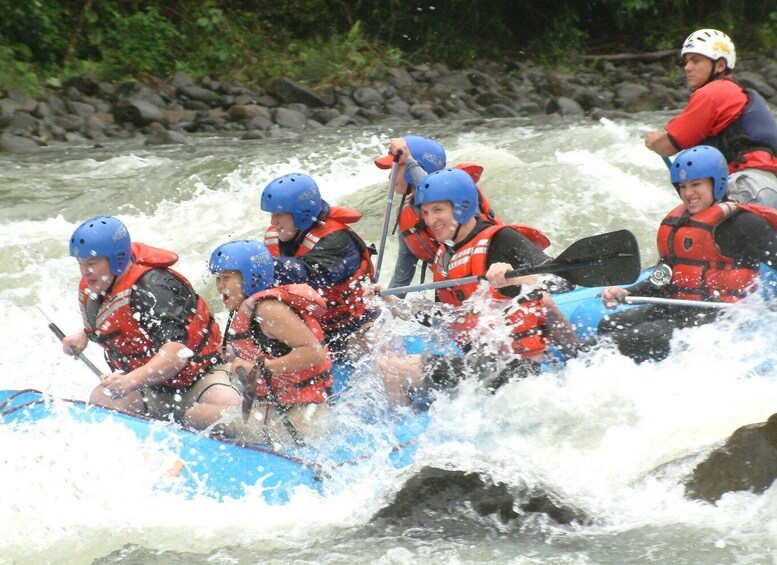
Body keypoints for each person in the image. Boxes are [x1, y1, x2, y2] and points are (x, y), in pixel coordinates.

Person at [376, 168, 580, 406]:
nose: (431, 220)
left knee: (391, 369)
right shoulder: (445, 256)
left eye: (438, 210)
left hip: (515, 368)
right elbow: (446, 316)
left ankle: (402, 432)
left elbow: (563, 280)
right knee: (389, 360)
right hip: (479, 363)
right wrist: (394, 304)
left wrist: (515, 278)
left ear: (462, 207)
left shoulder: (502, 239)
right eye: (426, 213)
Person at [598, 145, 777, 362]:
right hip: (680, 310)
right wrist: (627, 292)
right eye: (682, 186)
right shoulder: (678, 224)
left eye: (696, 184)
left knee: (628, 340)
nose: (688, 194)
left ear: (717, 183)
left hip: (720, 321)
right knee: (608, 325)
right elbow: (664, 279)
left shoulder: (744, 225)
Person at [63, 215, 242, 428]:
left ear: (117, 259)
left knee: (229, 407)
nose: (85, 272)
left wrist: (129, 380)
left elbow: (176, 353)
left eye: (92, 263)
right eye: (81, 263)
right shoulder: (99, 286)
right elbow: (117, 327)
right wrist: (84, 335)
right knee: (101, 399)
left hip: (199, 379)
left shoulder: (154, 288)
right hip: (151, 386)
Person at [208, 240, 333, 446]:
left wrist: (260, 368)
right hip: (284, 408)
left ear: (250, 278)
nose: (219, 285)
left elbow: (315, 353)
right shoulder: (244, 309)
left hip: (303, 418)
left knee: (196, 415)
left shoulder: (268, 309)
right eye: (218, 278)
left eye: (227, 278)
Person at [644, 29, 777, 208]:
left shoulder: (713, 93)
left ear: (720, 65)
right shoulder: (732, 90)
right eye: (686, 61)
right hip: (766, 186)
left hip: (748, 184)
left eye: (696, 60)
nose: (687, 67)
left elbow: (667, 146)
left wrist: (654, 141)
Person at [260, 172, 376, 358]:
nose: (273, 222)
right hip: (312, 329)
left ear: (300, 215)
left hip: (353, 326)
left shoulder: (337, 241)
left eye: (279, 215)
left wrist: (257, 264)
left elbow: (307, 276)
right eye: (272, 215)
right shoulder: (276, 235)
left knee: (370, 349)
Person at [373, 136, 502, 294]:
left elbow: (434, 187)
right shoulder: (408, 217)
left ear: (410, 169)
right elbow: (401, 281)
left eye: (394, 169)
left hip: (493, 279)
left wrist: (408, 159)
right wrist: (385, 302)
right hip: (455, 293)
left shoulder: (459, 197)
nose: (389, 177)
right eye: (427, 213)